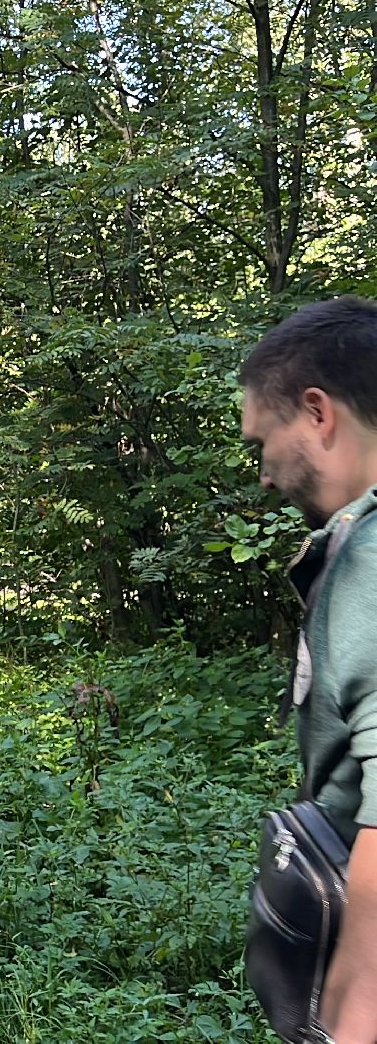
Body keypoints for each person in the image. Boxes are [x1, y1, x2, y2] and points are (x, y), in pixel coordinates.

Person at [241, 296, 377, 1043]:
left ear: (318, 414)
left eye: (263, 442)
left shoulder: (371, 563)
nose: (262, 475)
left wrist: (349, 1026)